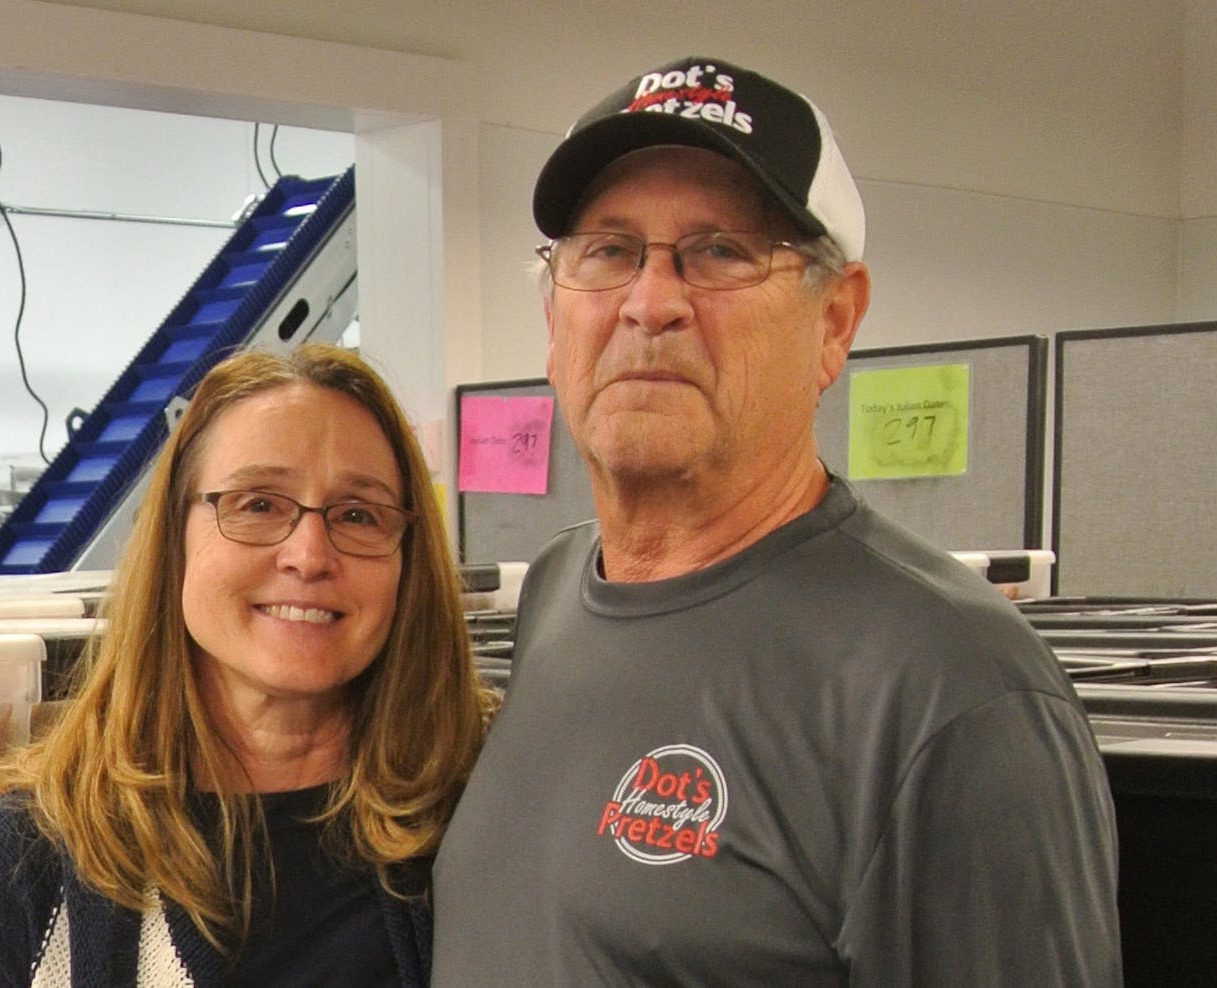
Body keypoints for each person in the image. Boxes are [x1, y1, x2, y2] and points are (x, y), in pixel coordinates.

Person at [431, 56, 1121, 985]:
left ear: (835, 320)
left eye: (720, 250)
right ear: (554, 321)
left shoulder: (951, 691)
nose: (650, 302)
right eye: (607, 250)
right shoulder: (559, 591)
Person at [0, 344, 495, 986]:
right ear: (174, 537)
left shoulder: (483, 813)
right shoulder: (29, 856)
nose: (309, 555)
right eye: (258, 504)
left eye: (357, 515)